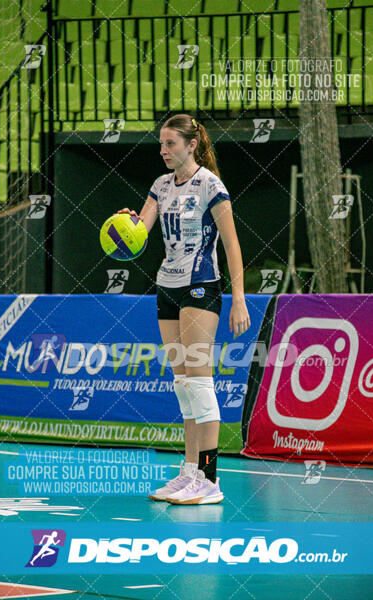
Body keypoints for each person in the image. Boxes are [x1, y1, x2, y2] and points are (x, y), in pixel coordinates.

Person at [117, 113, 250, 505]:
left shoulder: (210, 185)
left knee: (199, 381)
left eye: (171, 143)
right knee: (182, 386)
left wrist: (238, 298)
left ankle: (209, 479)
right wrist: (128, 225)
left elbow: (231, 244)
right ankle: (190, 470)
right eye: (161, 144)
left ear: (191, 145)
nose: (163, 150)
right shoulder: (160, 186)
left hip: (199, 286)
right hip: (167, 287)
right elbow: (141, 230)